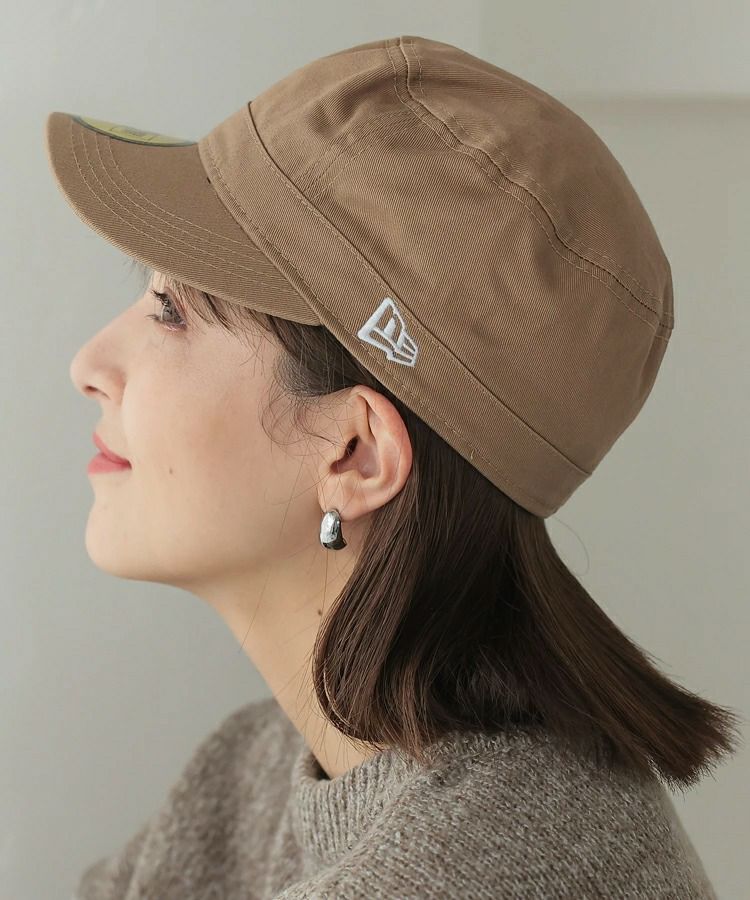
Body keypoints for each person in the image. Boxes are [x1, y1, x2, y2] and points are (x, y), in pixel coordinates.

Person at [46, 33, 740, 900]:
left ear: (356, 453)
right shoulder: (252, 772)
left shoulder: (465, 875)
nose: (87, 364)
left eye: (170, 311)